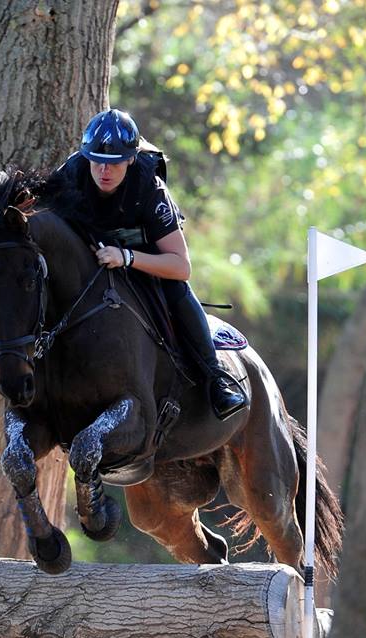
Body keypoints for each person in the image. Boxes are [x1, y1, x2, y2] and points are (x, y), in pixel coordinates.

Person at [54, 108, 247, 421]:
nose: (104, 170)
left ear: (130, 159)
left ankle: (216, 380)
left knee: (176, 288)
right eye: (96, 160)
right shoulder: (71, 173)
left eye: (114, 162)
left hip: (147, 263)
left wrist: (126, 258)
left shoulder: (151, 189)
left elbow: (181, 266)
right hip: (91, 261)